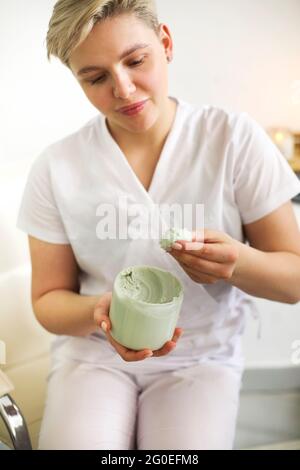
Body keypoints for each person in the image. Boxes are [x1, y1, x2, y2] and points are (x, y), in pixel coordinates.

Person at [17, 0, 300, 450]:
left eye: (135, 61)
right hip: (95, 357)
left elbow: (294, 281)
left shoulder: (233, 139)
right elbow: (47, 301)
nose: (124, 89)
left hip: (200, 360)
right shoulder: (57, 167)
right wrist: (101, 314)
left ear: (165, 43)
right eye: (96, 77)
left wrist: (237, 264)